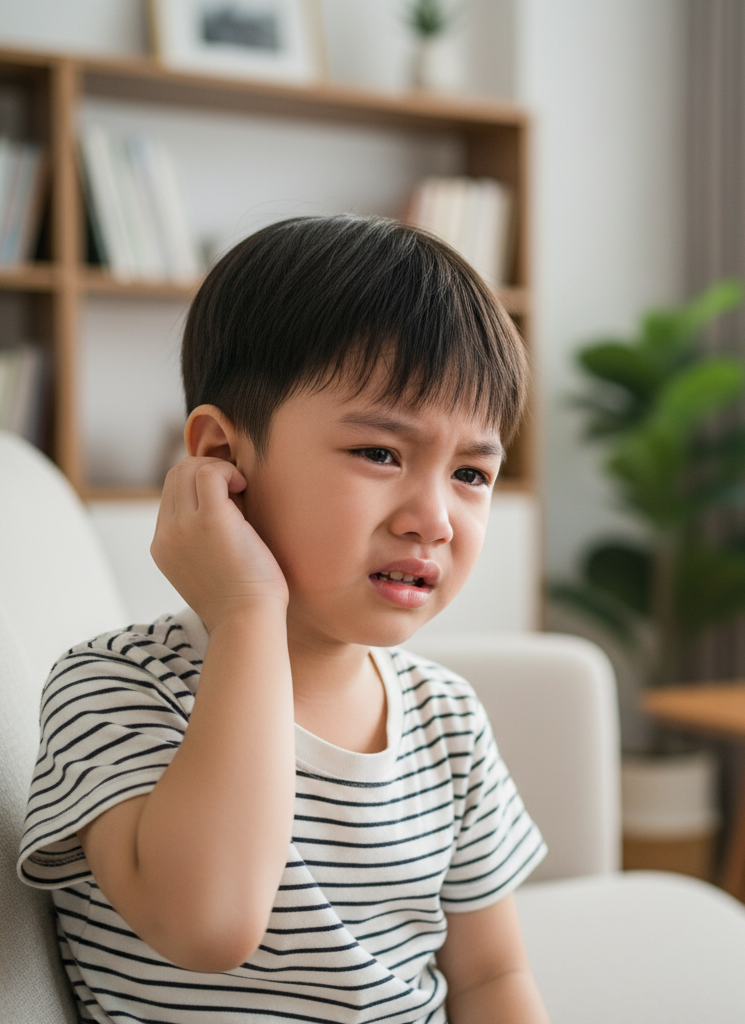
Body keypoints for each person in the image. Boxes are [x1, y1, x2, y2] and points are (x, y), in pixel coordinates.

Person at [18, 215, 550, 1024]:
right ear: (224, 460)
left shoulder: (448, 721)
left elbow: (490, 979)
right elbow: (209, 924)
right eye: (381, 454)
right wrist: (245, 613)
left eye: (472, 471)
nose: (435, 518)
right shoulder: (115, 689)